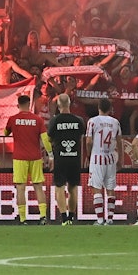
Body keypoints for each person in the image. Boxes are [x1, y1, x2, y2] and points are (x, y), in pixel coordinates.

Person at [6, 93, 52, 224]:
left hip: (19, 157)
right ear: (29, 104)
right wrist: (50, 154)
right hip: (35, 157)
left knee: (21, 188)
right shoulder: (38, 120)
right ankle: (43, 217)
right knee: (38, 187)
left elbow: (5, 133)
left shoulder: (13, 119)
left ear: (18, 105)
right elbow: (45, 139)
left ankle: (22, 219)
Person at [48, 93, 85, 226]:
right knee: (73, 187)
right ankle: (71, 217)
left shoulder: (55, 120)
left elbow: (49, 138)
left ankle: (64, 218)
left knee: (59, 187)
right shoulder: (79, 120)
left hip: (60, 158)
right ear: (69, 104)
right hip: (75, 158)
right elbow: (81, 136)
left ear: (58, 106)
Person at [84, 97, 121, 225]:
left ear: (98, 108)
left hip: (97, 157)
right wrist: (120, 159)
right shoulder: (115, 122)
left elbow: (88, 141)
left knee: (96, 188)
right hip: (110, 158)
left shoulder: (92, 121)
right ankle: (110, 219)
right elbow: (119, 141)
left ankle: (100, 220)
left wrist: (89, 155)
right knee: (110, 188)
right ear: (110, 109)